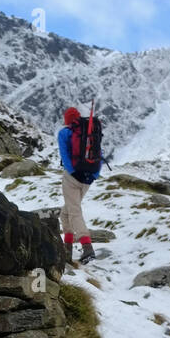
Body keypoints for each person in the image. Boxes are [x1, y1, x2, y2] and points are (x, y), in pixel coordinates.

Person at [58, 107, 97, 264]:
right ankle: (67, 248)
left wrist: (73, 173)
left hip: (72, 177)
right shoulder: (89, 131)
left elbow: (65, 157)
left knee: (74, 212)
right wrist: (92, 176)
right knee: (65, 212)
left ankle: (87, 247)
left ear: (66, 119)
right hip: (88, 177)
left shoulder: (64, 133)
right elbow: (98, 154)